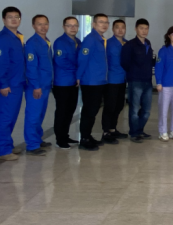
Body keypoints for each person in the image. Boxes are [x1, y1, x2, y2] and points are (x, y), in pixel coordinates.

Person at [0, 7, 26, 161]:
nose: (14, 19)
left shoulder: (17, 37)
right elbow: (0, 63)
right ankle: (3, 149)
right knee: (4, 117)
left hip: (17, 83)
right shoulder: (1, 39)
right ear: (4, 20)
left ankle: (8, 145)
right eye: (10, 17)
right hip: (7, 85)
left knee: (11, 117)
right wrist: (3, 84)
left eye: (16, 17)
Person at [77, 13, 110, 151]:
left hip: (99, 81)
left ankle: (88, 135)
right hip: (90, 82)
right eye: (101, 22)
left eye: (106, 22)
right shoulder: (90, 39)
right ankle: (84, 139)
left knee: (94, 110)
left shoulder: (100, 39)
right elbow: (82, 59)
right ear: (94, 24)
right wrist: (78, 77)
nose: (104, 24)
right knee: (89, 111)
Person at [121, 18, 156, 143]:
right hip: (135, 81)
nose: (144, 31)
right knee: (134, 109)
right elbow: (124, 62)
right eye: (141, 28)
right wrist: (134, 72)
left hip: (147, 81)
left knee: (146, 110)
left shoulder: (148, 43)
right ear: (136, 29)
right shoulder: (130, 45)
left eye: (146, 28)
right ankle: (134, 133)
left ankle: (140, 130)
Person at [24, 14, 53, 155]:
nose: (43, 27)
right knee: (33, 115)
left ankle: (37, 139)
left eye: (45, 24)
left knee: (40, 114)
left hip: (45, 85)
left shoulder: (46, 41)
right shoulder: (32, 43)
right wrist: (36, 86)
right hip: (36, 86)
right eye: (39, 24)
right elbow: (31, 67)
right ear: (33, 26)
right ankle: (32, 145)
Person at [52, 16, 80, 149]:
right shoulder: (60, 42)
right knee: (62, 111)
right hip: (62, 82)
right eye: (69, 25)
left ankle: (65, 135)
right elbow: (61, 61)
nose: (72, 28)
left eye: (75, 25)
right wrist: (78, 71)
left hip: (74, 82)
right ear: (64, 27)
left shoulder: (78, 42)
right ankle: (60, 139)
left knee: (70, 110)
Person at [104, 20, 129, 142]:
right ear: (113, 29)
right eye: (117, 27)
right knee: (110, 106)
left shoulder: (127, 44)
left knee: (119, 105)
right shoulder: (108, 44)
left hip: (123, 79)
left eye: (122, 27)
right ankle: (106, 132)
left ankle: (113, 129)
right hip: (111, 79)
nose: (120, 30)